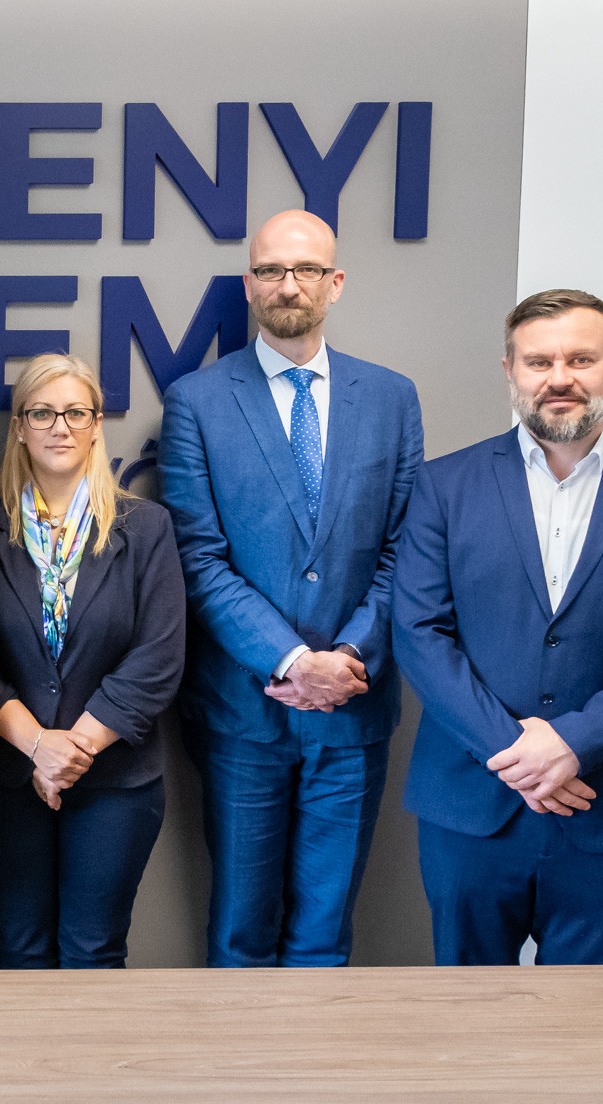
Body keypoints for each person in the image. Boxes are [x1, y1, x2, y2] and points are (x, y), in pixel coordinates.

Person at [394, 289, 603, 965]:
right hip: (473, 803)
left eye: (581, 359)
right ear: (510, 370)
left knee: (589, 1019)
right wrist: (517, 753)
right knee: (466, 1008)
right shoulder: (443, 486)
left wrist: (573, 742)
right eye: (539, 361)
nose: (560, 378)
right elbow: (420, 635)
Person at [158, 209, 423, 967]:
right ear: (249, 285)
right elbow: (198, 557)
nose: (288, 285)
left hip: (354, 706)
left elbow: (407, 550)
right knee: (240, 929)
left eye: (306, 269)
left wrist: (348, 657)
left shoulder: (392, 398)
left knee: (324, 934)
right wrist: (292, 661)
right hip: (243, 710)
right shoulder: (197, 401)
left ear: (335, 283)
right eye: (271, 270)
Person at [0, 354, 186, 969]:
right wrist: (37, 745)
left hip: (115, 779)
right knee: (18, 950)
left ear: (96, 424)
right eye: (42, 413)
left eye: (75, 412)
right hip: (6, 775)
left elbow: (159, 656)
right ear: (19, 427)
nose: (59, 427)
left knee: (94, 951)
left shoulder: (146, 528)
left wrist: (73, 750)